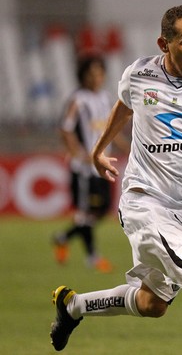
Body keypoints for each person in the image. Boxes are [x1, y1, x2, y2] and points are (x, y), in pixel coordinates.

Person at [49, 5, 182, 354]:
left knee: (152, 304)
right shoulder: (139, 74)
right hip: (144, 205)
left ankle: (72, 307)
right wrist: (99, 149)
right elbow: (124, 105)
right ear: (165, 43)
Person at [53, 55, 127, 273]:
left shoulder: (105, 98)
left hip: (103, 166)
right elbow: (65, 128)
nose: (96, 78)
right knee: (85, 213)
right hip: (85, 169)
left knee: (102, 210)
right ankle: (93, 258)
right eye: (91, 74)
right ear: (82, 76)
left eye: (99, 73)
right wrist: (79, 153)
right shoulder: (78, 99)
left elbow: (109, 129)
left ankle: (63, 237)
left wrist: (128, 148)